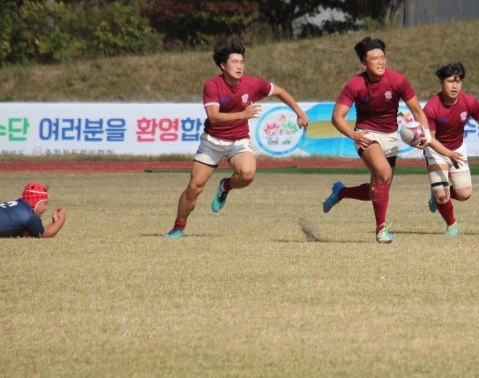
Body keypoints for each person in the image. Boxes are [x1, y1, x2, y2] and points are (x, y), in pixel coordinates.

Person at [166, 38, 309, 238]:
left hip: (238, 141)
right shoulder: (212, 86)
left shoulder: (252, 84)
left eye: (241, 62)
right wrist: (243, 115)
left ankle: (225, 186)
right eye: (234, 62)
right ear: (223, 65)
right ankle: (178, 227)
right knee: (194, 188)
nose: (239, 66)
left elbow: (280, 92)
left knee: (248, 174)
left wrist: (299, 113)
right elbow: (214, 118)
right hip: (213, 142)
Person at [322, 37, 431, 243]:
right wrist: (354, 135)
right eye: (374, 59)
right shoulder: (355, 84)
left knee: (378, 190)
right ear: (364, 64)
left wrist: (426, 133)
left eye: (382, 57)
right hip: (365, 134)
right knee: (383, 173)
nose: (380, 62)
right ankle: (381, 230)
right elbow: (337, 117)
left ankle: (341, 192)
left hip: (390, 137)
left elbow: (417, 110)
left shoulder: (398, 80)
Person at [420, 62, 479, 236]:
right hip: (436, 151)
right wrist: (449, 154)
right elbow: (431, 140)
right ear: (442, 82)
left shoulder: (469, 101)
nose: (454, 86)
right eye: (450, 81)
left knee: (464, 194)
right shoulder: (432, 107)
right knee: (443, 196)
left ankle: (437, 192)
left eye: (458, 81)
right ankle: (451, 224)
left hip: (458, 149)